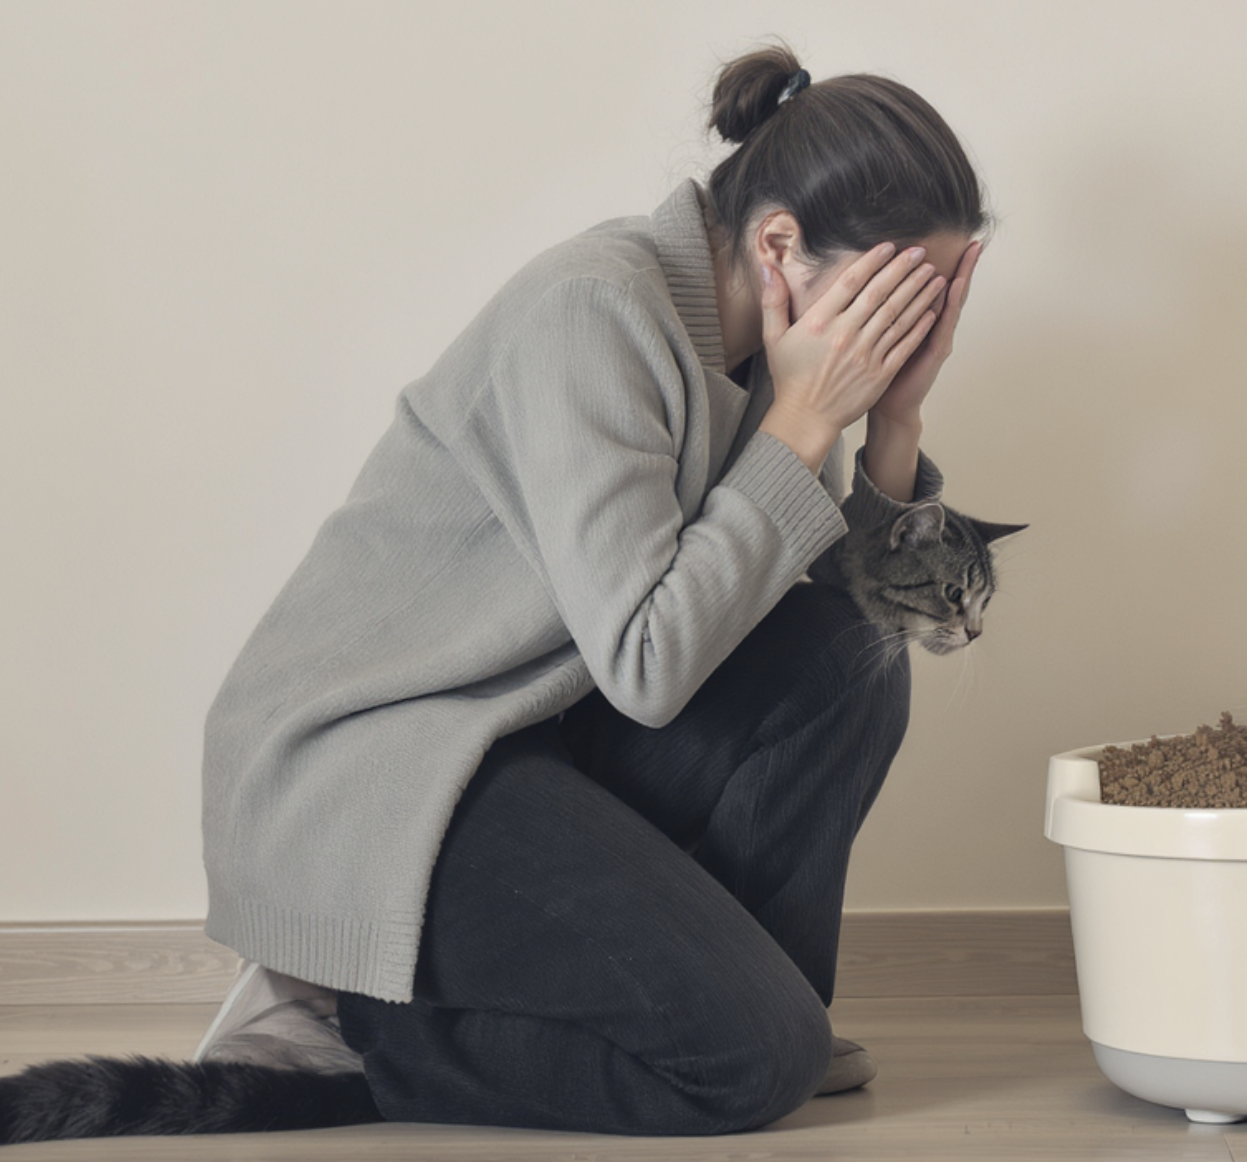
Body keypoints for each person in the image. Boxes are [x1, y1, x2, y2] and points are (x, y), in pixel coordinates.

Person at [194, 44, 988, 1136]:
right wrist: (805, 424)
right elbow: (649, 663)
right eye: (898, 298)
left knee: (846, 662)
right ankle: (350, 1019)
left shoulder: (773, 354)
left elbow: (810, 610)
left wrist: (895, 417)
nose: (911, 326)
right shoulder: (593, 313)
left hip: (534, 733)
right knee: (748, 1066)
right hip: (381, 769)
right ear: (778, 246)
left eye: (933, 303)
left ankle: (766, 1016)